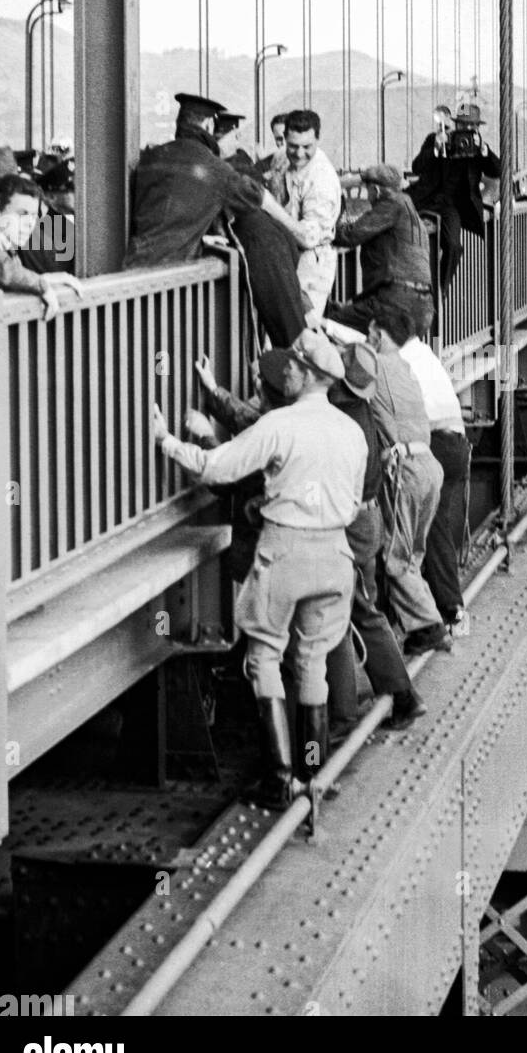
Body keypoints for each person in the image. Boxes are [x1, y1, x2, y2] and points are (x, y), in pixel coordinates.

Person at [154, 332, 367, 808]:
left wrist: (167, 441)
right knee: (313, 663)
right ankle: (314, 771)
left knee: (264, 658)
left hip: (285, 553)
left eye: (291, 364)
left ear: (305, 373)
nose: (284, 369)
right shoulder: (351, 432)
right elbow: (352, 503)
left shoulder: (281, 426)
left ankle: (280, 778)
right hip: (336, 557)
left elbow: (215, 467)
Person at [192, 342, 426, 739]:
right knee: (356, 612)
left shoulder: (325, 420)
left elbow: (256, 432)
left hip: (337, 530)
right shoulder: (351, 418)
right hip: (359, 521)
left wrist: (205, 415)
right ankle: (384, 701)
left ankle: (342, 717)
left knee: (339, 623)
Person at [125, 92, 311, 347]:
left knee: (139, 356)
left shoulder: (152, 157)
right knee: (162, 357)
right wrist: (297, 230)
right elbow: (259, 197)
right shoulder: (212, 168)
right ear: (209, 126)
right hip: (168, 281)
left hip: (128, 276)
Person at [323, 340, 427, 736]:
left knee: (342, 612)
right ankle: (395, 695)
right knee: (361, 609)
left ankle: (346, 713)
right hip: (368, 520)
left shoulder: (337, 416)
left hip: (350, 524)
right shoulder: (360, 411)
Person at [368, 310, 450, 657]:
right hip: (429, 465)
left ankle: (429, 626)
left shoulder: (375, 365)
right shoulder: (404, 368)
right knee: (413, 554)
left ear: (381, 335)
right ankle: (421, 625)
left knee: (394, 555)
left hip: (407, 470)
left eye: (371, 332)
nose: (367, 338)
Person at [394, 310, 471, 628]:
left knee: (415, 524)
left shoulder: (398, 359)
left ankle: (434, 609)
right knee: (437, 524)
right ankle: (448, 605)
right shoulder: (423, 351)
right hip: (458, 445)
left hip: (435, 444)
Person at [326, 163, 436, 339]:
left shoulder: (391, 204)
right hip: (422, 307)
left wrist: (332, 211)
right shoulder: (408, 207)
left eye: (367, 190)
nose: (368, 196)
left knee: (329, 326)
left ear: (376, 190)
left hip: (396, 304)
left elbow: (348, 235)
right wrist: (355, 304)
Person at [408, 101, 500, 296]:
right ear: (455, 124)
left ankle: (441, 289)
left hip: (454, 207)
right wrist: (436, 148)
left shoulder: (478, 148)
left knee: (454, 246)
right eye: (462, 125)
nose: (465, 130)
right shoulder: (436, 139)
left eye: (470, 126)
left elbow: (498, 170)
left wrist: (484, 151)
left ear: (477, 128)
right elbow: (417, 166)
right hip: (428, 200)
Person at [0, 172, 82, 318]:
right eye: (22, 214)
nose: (30, 223)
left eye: (33, 216)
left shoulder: (2, 242)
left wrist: (45, 279)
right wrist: (41, 284)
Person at [281, 109, 342, 318]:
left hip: (312, 265)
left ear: (318, 139)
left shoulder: (321, 178)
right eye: (292, 146)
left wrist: (270, 207)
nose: (299, 153)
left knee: (301, 337)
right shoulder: (284, 161)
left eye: (307, 147)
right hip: (290, 259)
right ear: (284, 140)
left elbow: (308, 238)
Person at [260, 113, 289, 204]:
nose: (284, 143)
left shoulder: (309, 164)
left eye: (287, 137)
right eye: (279, 139)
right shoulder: (264, 165)